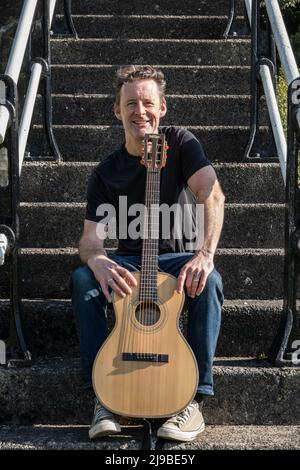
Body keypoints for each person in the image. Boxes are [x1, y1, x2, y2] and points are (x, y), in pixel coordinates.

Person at [71, 65, 225, 442]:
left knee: (210, 281)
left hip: (176, 259)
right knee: (82, 280)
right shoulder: (106, 172)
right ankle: (103, 398)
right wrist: (98, 260)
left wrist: (205, 254)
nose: (140, 111)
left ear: (163, 107)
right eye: (131, 103)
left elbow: (213, 195)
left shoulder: (182, 143)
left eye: (148, 102)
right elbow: (90, 239)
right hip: (129, 262)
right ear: (117, 110)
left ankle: (194, 397)